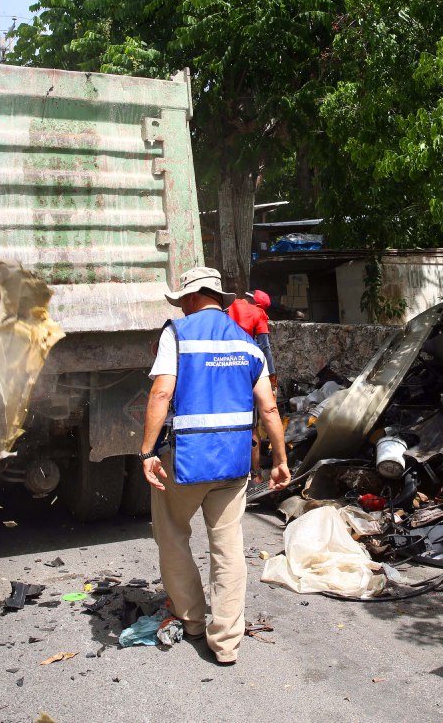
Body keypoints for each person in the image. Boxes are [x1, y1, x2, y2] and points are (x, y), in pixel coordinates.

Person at [140, 267, 290, 665]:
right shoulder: (247, 343)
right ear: (219, 299)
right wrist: (280, 460)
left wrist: (147, 452)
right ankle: (225, 642)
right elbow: (269, 407)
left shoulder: (177, 333)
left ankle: (191, 620)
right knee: (228, 549)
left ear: (190, 299)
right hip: (233, 465)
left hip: (187, 462)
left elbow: (160, 394)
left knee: (172, 534)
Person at [227, 289, 278, 479]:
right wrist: (271, 376)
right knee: (251, 424)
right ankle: (255, 473)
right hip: (245, 371)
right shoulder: (259, 314)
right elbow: (265, 347)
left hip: (221, 367)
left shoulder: (228, 305)